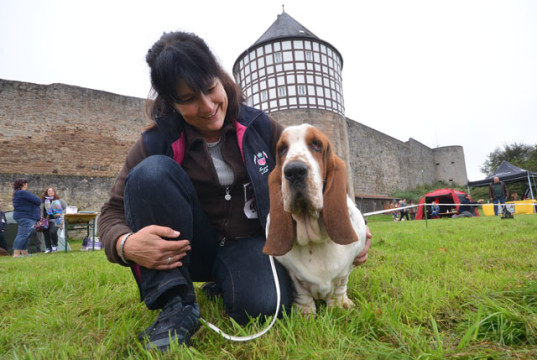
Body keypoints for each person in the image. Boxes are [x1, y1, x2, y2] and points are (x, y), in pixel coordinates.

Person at [98, 31, 372, 352]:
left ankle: (223, 283)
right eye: (188, 99)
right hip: (185, 249)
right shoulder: (153, 142)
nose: (207, 106)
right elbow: (110, 214)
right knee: (151, 173)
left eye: (210, 88)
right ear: (170, 103)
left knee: (264, 305)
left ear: (219, 75)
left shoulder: (260, 127)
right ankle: (175, 304)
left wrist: (354, 226)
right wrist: (125, 243)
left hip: (248, 247)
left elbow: (316, 170)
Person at [12, 178, 41, 258]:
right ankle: (16, 254)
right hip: (26, 217)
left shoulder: (17, 193)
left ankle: (25, 253)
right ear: (24, 185)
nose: (27, 185)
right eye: (26, 183)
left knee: (25, 235)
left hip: (24, 216)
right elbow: (38, 200)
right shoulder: (22, 192)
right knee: (23, 235)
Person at [40, 187, 67, 253]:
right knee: (46, 234)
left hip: (56, 219)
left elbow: (66, 209)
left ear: (54, 192)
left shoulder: (60, 200)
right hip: (46, 220)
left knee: (52, 232)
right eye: (49, 191)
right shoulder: (44, 201)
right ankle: (48, 248)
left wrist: (60, 213)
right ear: (46, 193)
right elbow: (41, 210)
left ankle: (54, 246)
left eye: (52, 191)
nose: (51, 192)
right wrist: (41, 217)